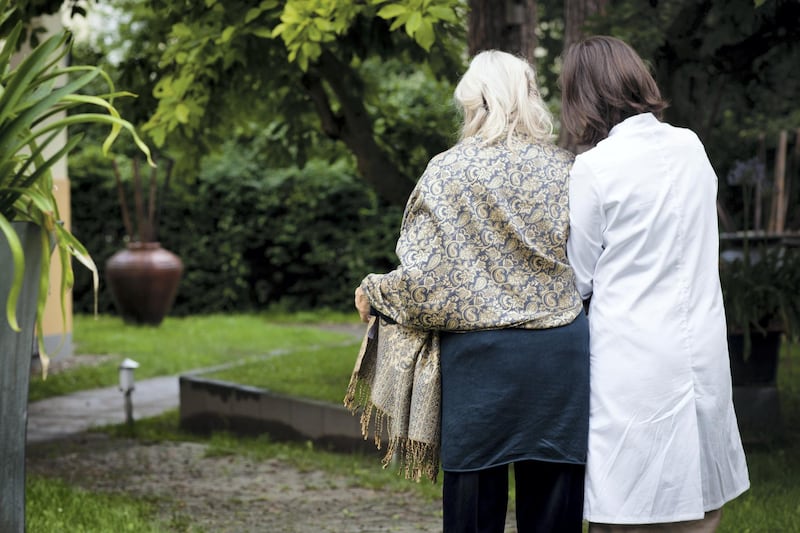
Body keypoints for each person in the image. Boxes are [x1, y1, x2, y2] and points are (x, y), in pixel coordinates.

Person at [352, 49, 590, 533]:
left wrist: (373, 292)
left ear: (474, 100)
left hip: (481, 367)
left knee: (472, 517)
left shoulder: (446, 171)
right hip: (559, 361)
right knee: (555, 517)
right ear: (529, 100)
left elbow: (425, 284)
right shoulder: (568, 168)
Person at [561, 35, 750, 532]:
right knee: (702, 506)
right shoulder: (690, 145)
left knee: (624, 504)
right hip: (702, 345)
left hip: (633, 354)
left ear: (585, 96)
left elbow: (578, 277)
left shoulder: (594, 168)